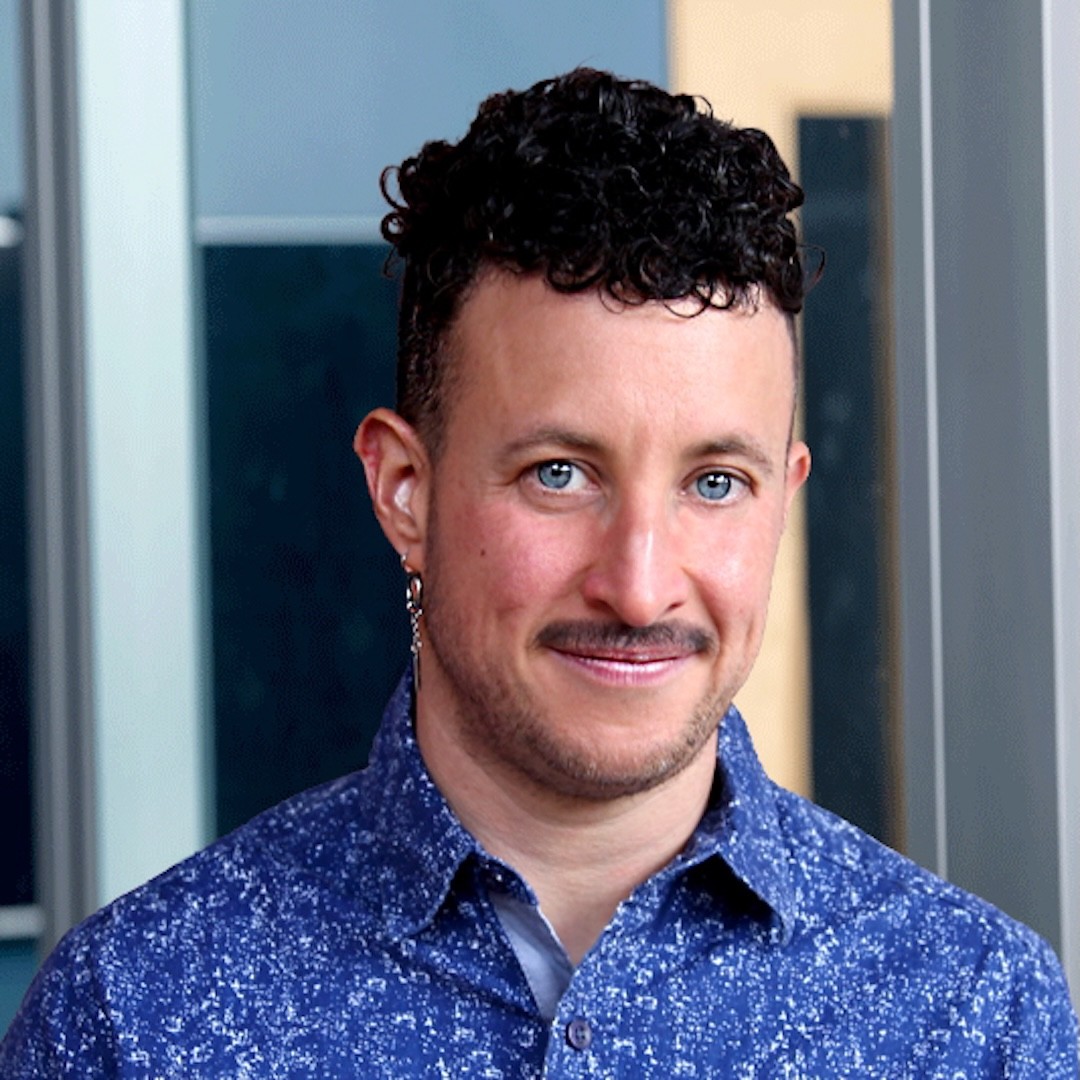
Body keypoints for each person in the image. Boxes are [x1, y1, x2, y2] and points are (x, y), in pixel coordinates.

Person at [2, 67, 1076, 1078]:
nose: (640, 584)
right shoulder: (138, 1020)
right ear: (403, 491)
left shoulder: (976, 1018)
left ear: (784, 497)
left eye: (714, 483)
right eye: (560, 474)